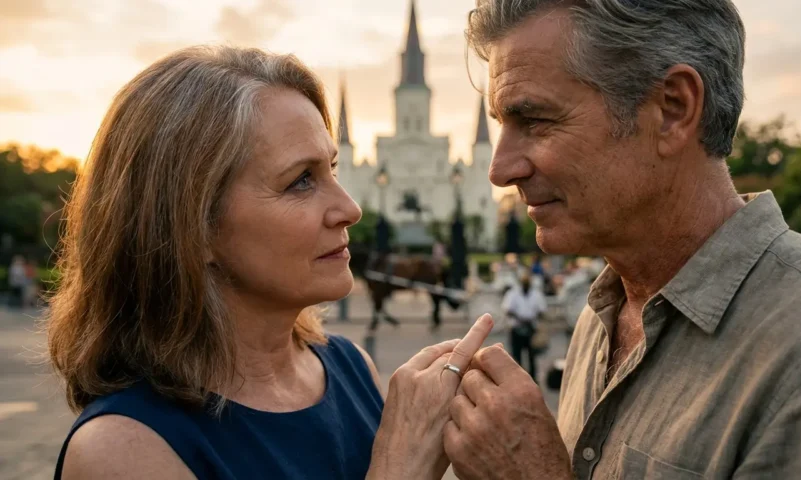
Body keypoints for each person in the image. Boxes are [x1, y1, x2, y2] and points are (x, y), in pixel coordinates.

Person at [437, 1, 801, 479]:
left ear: (673, 110)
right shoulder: (602, 317)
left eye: (535, 121)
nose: (500, 170)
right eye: (501, 126)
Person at [48, 45, 495, 480]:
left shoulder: (351, 368)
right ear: (194, 226)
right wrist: (404, 468)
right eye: (301, 181)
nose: (351, 208)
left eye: (333, 171)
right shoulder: (123, 450)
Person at [502, 274, 546, 380]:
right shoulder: (512, 294)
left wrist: (532, 318)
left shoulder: (536, 294)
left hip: (531, 328)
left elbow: (542, 311)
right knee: (516, 357)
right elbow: (507, 310)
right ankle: (517, 379)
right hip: (516, 327)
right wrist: (521, 318)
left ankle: (532, 380)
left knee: (532, 357)